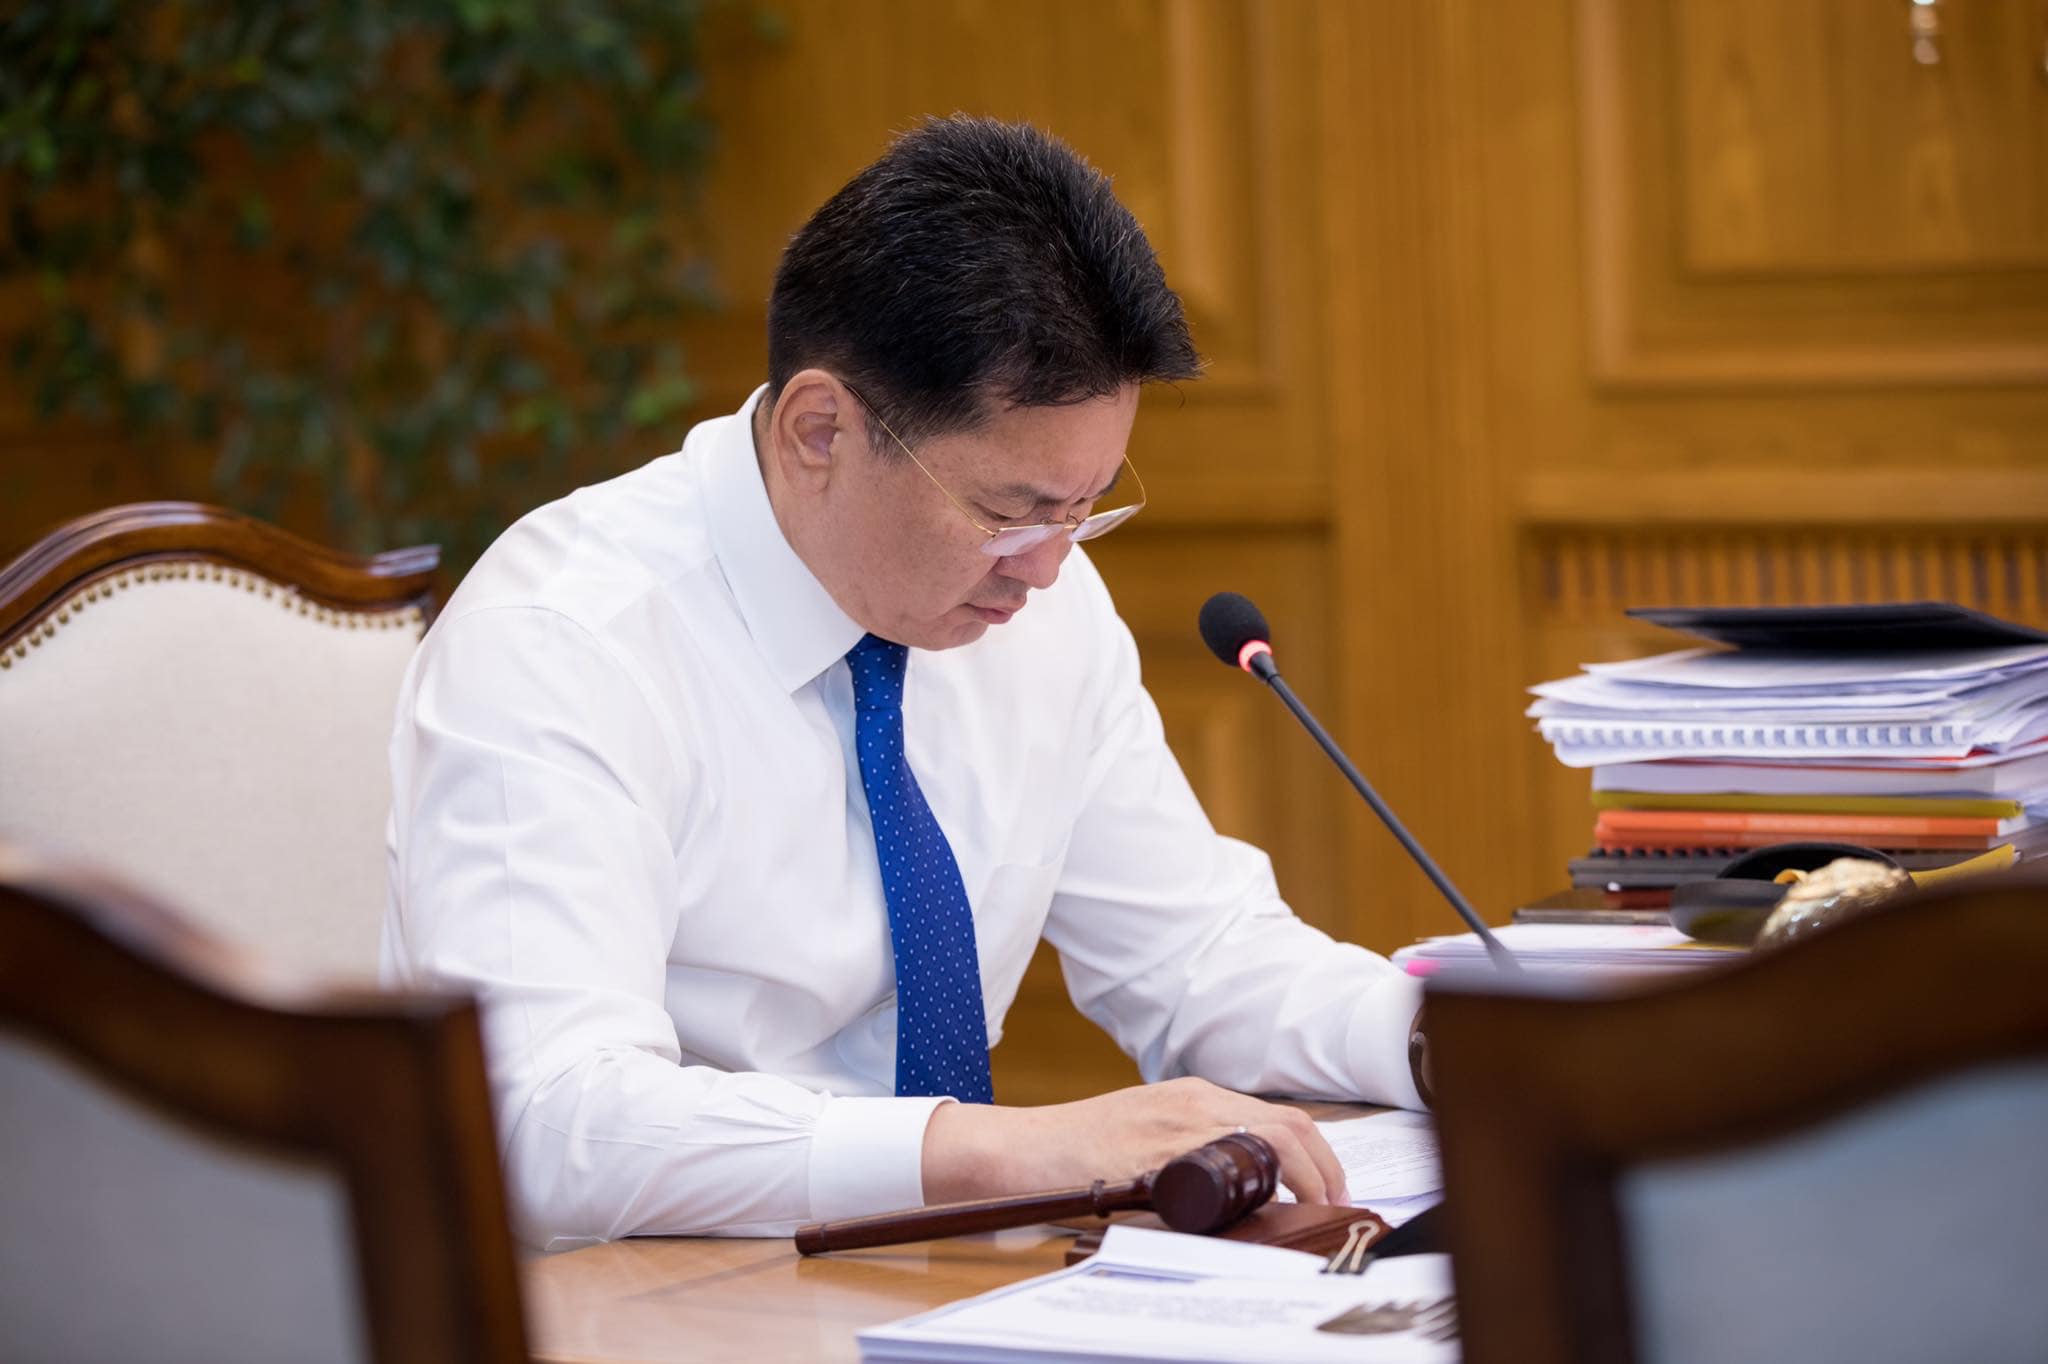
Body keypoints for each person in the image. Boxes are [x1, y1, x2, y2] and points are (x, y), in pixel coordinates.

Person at [383, 115, 1425, 1251]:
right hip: (650, 1295)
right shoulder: (565, 640)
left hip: (935, 1287)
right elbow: (544, 1121)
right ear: (818, 430)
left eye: (1084, 510)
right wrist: (997, 1151)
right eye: (1009, 512)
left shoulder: (1041, 608)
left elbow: (1199, 956)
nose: (1047, 566)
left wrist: (1457, 1042)